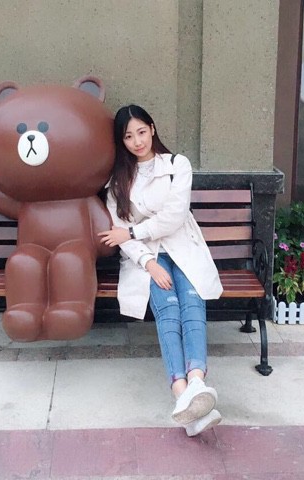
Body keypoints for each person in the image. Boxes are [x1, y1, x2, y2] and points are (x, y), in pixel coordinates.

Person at [98, 104, 224, 436]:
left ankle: (195, 384)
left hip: (183, 248)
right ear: (121, 141)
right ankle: (186, 395)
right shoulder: (117, 182)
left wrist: (133, 232)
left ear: (152, 129)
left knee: (192, 304)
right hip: (147, 258)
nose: (137, 141)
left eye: (141, 132)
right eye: (128, 136)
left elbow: (174, 217)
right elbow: (117, 234)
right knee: (168, 312)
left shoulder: (177, 165)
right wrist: (149, 263)